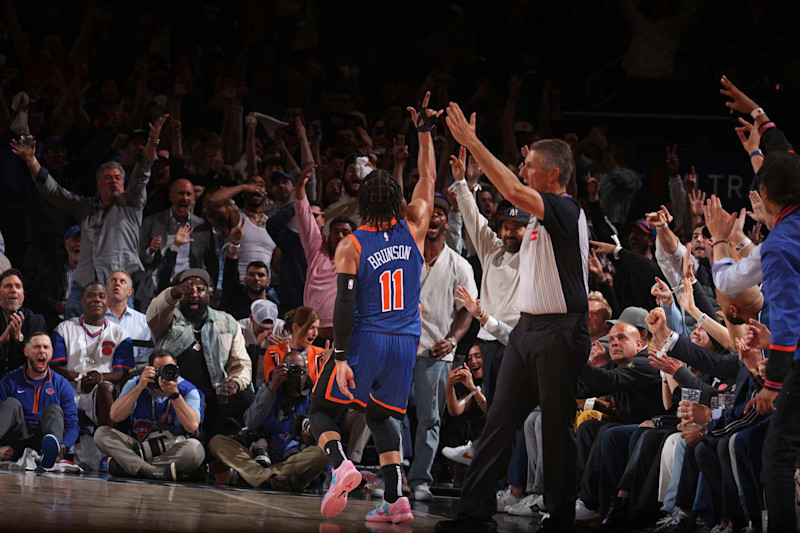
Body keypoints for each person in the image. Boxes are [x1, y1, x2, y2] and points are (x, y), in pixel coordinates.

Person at [437, 104, 590, 532]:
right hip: (527, 328)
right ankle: (473, 513)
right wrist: (472, 182)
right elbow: (505, 198)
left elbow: (510, 189)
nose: (523, 171)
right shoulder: (539, 218)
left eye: (530, 167)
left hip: (561, 330)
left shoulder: (565, 210)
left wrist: (472, 142)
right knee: (498, 421)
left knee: (557, 430)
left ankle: (559, 517)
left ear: (554, 175)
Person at [308, 95, 438, 524]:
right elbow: (429, 178)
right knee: (384, 416)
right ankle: (397, 501)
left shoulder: (353, 244)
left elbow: (344, 304)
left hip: (366, 337)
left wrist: (341, 356)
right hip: (407, 340)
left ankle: (341, 464)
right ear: (398, 200)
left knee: (321, 409)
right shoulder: (416, 226)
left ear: (361, 202)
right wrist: (424, 133)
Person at [10, 115, 169, 318]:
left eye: (118, 178)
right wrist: (32, 161)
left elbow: (142, 173)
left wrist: (152, 142)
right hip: (83, 284)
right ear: (98, 185)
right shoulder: (86, 207)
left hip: (116, 286)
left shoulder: (131, 203)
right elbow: (56, 193)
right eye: (108, 178)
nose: (113, 181)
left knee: (115, 340)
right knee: (73, 337)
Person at [743, 151, 800, 530]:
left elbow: (788, 321)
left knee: (777, 457)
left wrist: (773, 384)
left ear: (763, 193)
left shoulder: (779, 244)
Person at [409, 193, 476, 501]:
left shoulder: (459, 264)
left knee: (430, 419)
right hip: (399, 347)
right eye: (428, 213)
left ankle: (420, 479)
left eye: (439, 213)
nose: (433, 217)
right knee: (389, 413)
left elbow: (467, 310)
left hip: (435, 352)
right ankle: (394, 473)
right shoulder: (405, 255)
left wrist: (451, 340)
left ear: (447, 223)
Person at [449, 146, 526, 406]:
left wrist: (529, 183)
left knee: (513, 413)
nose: (510, 233)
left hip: (515, 344)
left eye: (518, 228)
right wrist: (462, 182)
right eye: (506, 227)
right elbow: (473, 217)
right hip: (487, 345)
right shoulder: (492, 250)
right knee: (491, 413)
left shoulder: (535, 256)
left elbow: (545, 219)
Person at [145, 268, 252, 438]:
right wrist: (175, 292)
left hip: (215, 392)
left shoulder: (227, 321)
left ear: (209, 294)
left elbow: (241, 363)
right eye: (187, 290)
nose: (194, 294)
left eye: (200, 289)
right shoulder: (168, 318)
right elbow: (152, 313)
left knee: (246, 396)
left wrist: (236, 382)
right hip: (176, 391)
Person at [209, 350, 328, 491]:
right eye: (291, 369)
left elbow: (320, 434)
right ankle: (273, 478)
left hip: (293, 459)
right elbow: (251, 422)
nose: (296, 375)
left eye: (301, 370)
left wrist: (311, 439)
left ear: (306, 372)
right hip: (260, 456)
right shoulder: (269, 389)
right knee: (217, 442)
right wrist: (272, 388)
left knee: (322, 453)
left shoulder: (314, 398)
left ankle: (258, 478)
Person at [94, 351, 205, 481]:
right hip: (138, 445)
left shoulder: (188, 390)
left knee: (195, 450)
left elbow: (192, 426)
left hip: (171, 447)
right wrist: (140, 387)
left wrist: (174, 394)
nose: (165, 375)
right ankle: (152, 471)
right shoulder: (136, 383)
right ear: (150, 369)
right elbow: (115, 416)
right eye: (160, 370)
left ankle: (129, 466)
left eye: (170, 369)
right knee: (101, 434)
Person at [50, 282, 134, 427]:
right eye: (90, 296)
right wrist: (79, 378)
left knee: (106, 388)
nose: (97, 299)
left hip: (100, 391)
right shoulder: (64, 328)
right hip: (70, 387)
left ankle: (108, 441)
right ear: (82, 302)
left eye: (102, 296)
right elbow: (54, 367)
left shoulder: (119, 334)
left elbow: (120, 372)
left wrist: (100, 378)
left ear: (107, 303)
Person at [296, 162, 356, 341]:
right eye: (335, 232)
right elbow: (304, 216)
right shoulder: (317, 251)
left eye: (345, 233)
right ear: (327, 236)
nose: (339, 235)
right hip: (313, 334)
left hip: (347, 336)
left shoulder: (360, 260)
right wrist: (300, 187)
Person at [0, 332, 79, 468]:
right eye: (37, 347)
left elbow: (73, 424)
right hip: (17, 439)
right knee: (11, 403)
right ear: (26, 351)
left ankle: (51, 454)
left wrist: (64, 446)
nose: (42, 351)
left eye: (46, 347)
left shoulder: (61, 384)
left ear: (52, 352)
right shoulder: (10, 380)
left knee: (53, 409)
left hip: (45, 440)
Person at [137, 178, 217, 308]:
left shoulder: (201, 226)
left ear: (193, 198)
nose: (184, 198)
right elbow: (139, 258)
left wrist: (211, 288)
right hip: (154, 289)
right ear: (171, 196)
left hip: (188, 292)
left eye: (188, 194)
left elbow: (211, 261)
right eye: (180, 193)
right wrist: (150, 251)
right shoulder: (152, 221)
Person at [206, 175, 278, 281]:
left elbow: (277, 266)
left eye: (261, 185)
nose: (256, 188)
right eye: (253, 184)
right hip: (237, 284)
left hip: (262, 288)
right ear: (244, 194)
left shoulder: (271, 224)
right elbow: (214, 201)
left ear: (265, 193)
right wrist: (244, 187)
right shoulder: (236, 216)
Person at [28, 225, 81, 330]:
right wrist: (57, 306)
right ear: (66, 243)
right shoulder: (52, 271)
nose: (79, 244)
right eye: (75, 240)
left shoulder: (93, 273)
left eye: (82, 241)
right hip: (57, 321)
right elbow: (38, 297)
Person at [263, 306, 327, 386]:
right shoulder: (273, 352)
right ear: (295, 328)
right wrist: (287, 360)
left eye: (317, 329)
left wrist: (328, 367)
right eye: (311, 328)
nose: (315, 334)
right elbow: (270, 386)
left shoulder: (320, 354)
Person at [0, 269, 47, 378]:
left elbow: (39, 358)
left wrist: (19, 339)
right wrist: (1, 340)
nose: (13, 290)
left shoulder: (35, 320)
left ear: (23, 294)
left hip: (23, 382)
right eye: (8, 286)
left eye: (18, 286)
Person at [104, 270, 153, 369]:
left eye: (122, 281)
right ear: (106, 289)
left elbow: (145, 356)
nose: (117, 283)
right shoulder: (96, 319)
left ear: (130, 291)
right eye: (113, 280)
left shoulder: (143, 321)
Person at [238, 299, 285, 389]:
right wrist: (255, 346)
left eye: (269, 330)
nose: (265, 333)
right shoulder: (241, 327)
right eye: (260, 330)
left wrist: (282, 348)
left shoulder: (282, 328)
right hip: (248, 378)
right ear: (251, 319)